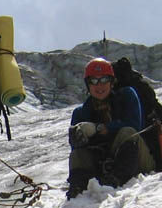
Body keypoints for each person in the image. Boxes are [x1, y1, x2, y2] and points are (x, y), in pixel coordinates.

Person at [66, 58, 155, 198]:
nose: (99, 85)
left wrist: (99, 128)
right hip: (101, 164)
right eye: (93, 81)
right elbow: (76, 151)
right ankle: (78, 187)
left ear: (112, 82)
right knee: (78, 154)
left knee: (127, 132)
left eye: (104, 80)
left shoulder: (127, 96)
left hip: (138, 159)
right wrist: (78, 139)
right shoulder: (80, 113)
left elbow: (134, 125)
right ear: (87, 85)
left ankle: (118, 178)